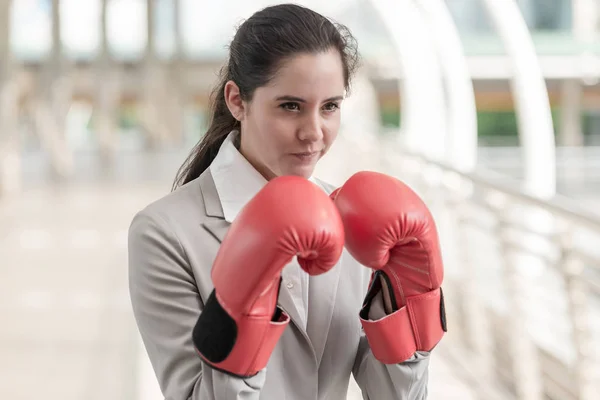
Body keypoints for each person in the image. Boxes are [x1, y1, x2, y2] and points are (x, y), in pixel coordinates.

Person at [128, 4, 446, 400]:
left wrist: (407, 305)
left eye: (330, 106)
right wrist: (244, 316)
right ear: (237, 101)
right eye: (290, 106)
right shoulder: (165, 233)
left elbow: (396, 396)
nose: (314, 132)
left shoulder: (351, 219)